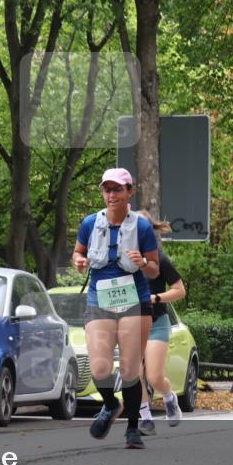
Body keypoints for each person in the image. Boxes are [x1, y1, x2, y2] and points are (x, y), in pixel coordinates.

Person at [72, 168, 160, 449]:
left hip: (135, 300)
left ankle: (133, 428)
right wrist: (78, 261)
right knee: (99, 367)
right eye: (107, 189)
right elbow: (78, 252)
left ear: (129, 192)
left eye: (118, 189)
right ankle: (111, 404)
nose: (112, 195)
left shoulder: (142, 228)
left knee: (131, 369)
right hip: (101, 299)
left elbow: (156, 270)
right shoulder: (89, 223)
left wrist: (143, 263)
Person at [135, 210, 187, 436]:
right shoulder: (120, 260)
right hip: (130, 324)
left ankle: (168, 397)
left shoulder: (160, 259)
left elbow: (180, 291)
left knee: (154, 376)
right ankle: (145, 417)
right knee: (133, 374)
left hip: (156, 321)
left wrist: (154, 298)